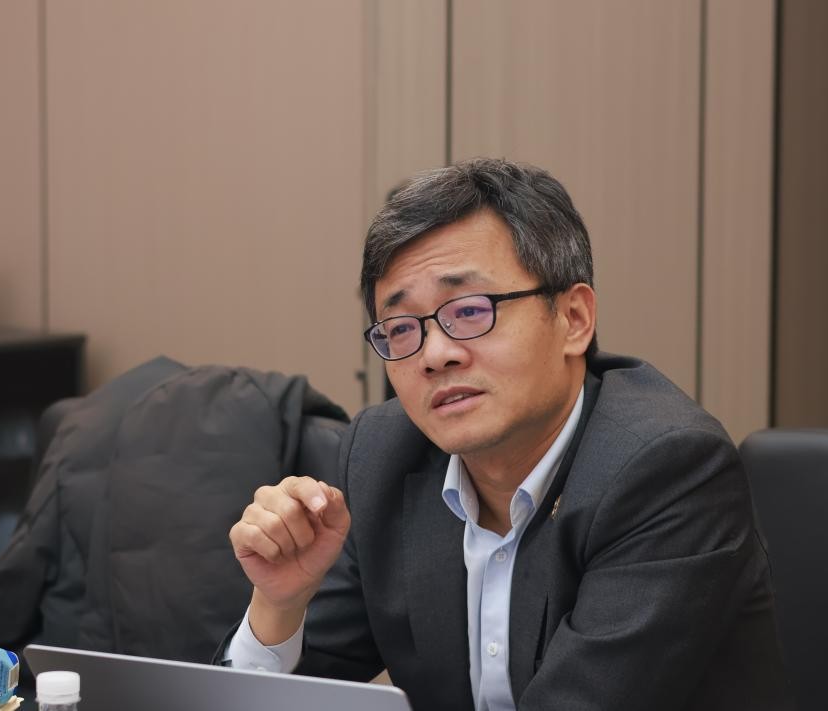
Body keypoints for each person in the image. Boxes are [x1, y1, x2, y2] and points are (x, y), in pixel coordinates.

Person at [224, 158, 792, 710]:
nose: (435, 354)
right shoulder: (383, 456)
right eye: (401, 328)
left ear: (573, 319)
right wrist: (280, 604)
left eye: (470, 311)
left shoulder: (668, 469)